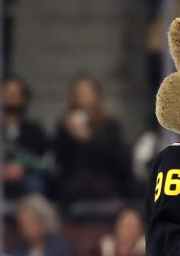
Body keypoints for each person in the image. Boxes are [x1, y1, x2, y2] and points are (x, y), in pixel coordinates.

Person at [53, 74, 134, 212]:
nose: (84, 97)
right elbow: (60, 160)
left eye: (87, 93)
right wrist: (70, 134)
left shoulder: (110, 125)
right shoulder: (64, 126)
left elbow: (116, 159)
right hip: (74, 182)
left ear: (96, 95)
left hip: (104, 179)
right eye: (79, 93)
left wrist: (88, 139)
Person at [0, 75, 50, 201]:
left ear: (24, 98)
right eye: (7, 92)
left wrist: (23, 167)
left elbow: (47, 159)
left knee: (36, 185)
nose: (12, 97)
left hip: (25, 177)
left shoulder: (34, 130)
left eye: (16, 93)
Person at [8, 193, 73, 256]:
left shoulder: (60, 248)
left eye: (30, 222)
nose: (25, 228)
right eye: (22, 223)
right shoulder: (19, 249)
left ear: (43, 223)